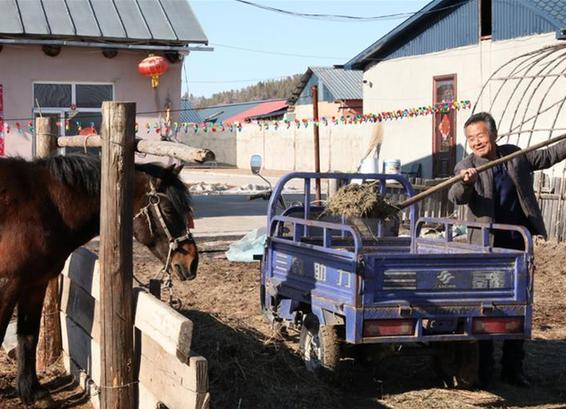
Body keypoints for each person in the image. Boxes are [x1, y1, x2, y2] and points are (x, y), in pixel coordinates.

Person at [448, 112, 566, 388]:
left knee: (519, 308)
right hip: (486, 249)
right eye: (471, 138)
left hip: (518, 245)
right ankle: (485, 371)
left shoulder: (513, 156)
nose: (476, 142)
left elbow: (547, 156)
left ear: (493, 134)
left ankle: (513, 370)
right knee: (487, 309)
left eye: (480, 135)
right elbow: (456, 196)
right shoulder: (466, 166)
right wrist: (465, 182)